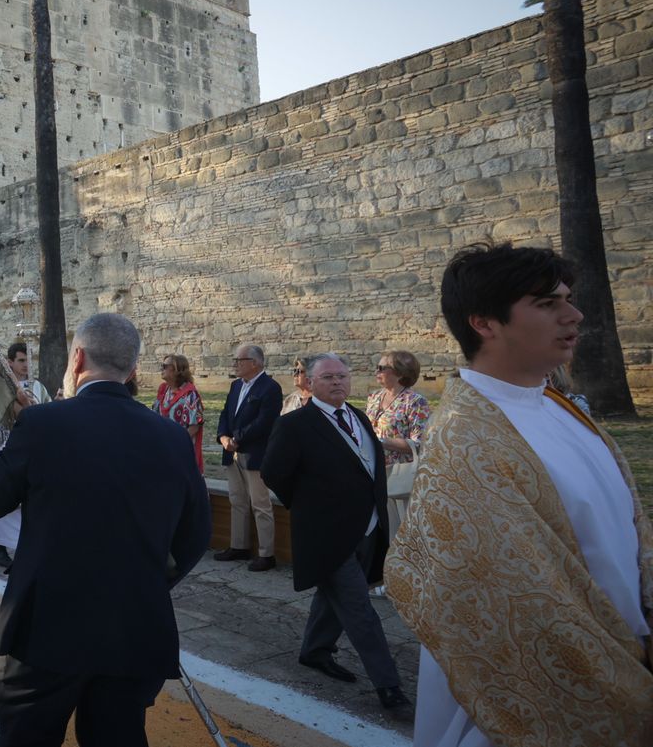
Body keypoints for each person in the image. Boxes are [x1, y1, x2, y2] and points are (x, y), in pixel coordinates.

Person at [387, 244, 653, 747]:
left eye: (567, 300)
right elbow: (518, 603)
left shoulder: (564, 412)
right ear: (485, 322)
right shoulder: (465, 441)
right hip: (552, 700)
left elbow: (630, 537)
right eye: (548, 303)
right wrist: (624, 686)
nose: (573, 314)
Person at [0, 313, 211, 746]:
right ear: (133, 369)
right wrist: (146, 582)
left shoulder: (42, 424)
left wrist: (16, 429)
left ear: (77, 358)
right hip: (136, 626)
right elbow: (195, 535)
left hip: (45, 629)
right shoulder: (172, 437)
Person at [261, 353, 409, 710]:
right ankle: (389, 687)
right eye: (328, 377)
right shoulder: (295, 424)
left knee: (334, 597)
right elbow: (273, 473)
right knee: (359, 609)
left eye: (343, 375)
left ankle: (315, 651)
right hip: (327, 535)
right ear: (310, 383)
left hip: (368, 529)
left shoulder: (357, 416)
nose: (338, 382)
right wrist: (310, 509)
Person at [213, 343, 283, 571]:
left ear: (254, 363)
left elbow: (265, 422)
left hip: (254, 453)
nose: (235, 364)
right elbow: (225, 414)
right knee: (237, 500)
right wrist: (223, 436)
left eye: (239, 360)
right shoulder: (235, 386)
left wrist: (238, 438)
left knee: (260, 503)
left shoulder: (270, 387)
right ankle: (239, 546)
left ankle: (266, 553)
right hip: (231, 452)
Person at [0, 342, 51, 571]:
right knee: (9, 496)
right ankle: (1, 546)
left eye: (28, 361)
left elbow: (48, 410)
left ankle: (22, 545)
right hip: (8, 444)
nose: (26, 365)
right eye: (21, 360)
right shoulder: (2, 387)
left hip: (34, 447)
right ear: (10, 362)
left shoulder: (37, 386)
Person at [364, 350, 429, 552]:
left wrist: (381, 441)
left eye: (382, 367)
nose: (377, 370)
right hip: (374, 471)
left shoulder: (415, 402)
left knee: (400, 529)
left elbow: (420, 443)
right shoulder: (374, 397)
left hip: (399, 474)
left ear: (400, 373)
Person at [153, 353, 204, 474]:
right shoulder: (164, 390)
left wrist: (176, 442)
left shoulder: (190, 394)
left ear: (177, 370)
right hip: (163, 446)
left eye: (165, 366)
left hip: (179, 448)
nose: (162, 368)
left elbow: (195, 425)